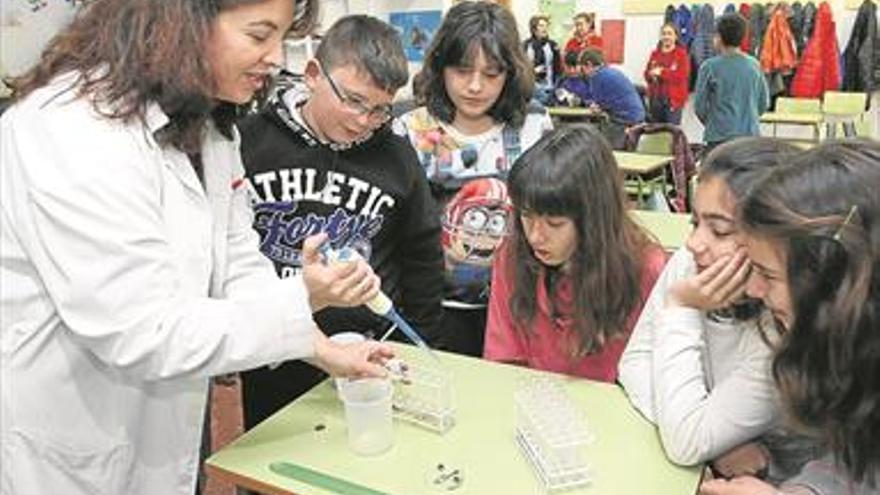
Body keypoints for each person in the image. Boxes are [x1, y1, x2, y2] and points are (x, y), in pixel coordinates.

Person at [0, 1, 396, 494]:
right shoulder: (71, 128)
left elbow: (236, 263)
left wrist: (320, 346)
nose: (275, 58)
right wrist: (302, 302)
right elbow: (141, 329)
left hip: (165, 423)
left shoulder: (205, 126)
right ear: (181, 21)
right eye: (258, 36)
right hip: (73, 439)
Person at [237, 15, 444, 429]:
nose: (363, 120)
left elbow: (422, 252)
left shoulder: (395, 155)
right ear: (314, 74)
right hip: (273, 354)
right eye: (352, 100)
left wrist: (418, 343)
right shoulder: (249, 142)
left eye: (380, 110)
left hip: (372, 348)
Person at [618, 138, 819, 482]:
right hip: (700, 462)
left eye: (720, 229)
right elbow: (634, 362)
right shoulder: (694, 261)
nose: (695, 243)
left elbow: (686, 442)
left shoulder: (784, 320)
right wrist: (705, 435)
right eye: (695, 222)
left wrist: (680, 307)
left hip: (776, 480)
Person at [701, 140, 880, 494]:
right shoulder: (853, 360)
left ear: (833, 283)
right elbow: (854, 459)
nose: (753, 290)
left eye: (767, 275)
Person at [393, 0, 552, 356]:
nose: (475, 86)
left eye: (492, 74)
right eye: (463, 71)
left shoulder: (533, 128)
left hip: (515, 310)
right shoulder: (411, 128)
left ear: (510, 73)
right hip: (430, 310)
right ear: (440, 66)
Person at [483, 124, 667, 382]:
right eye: (526, 216)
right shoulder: (511, 256)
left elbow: (655, 377)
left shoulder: (648, 270)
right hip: (532, 405)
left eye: (555, 223)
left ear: (594, 219)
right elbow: (502, 359)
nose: (535, 236)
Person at [694, 12, 769, 151]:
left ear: (719, 37)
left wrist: (715, 124)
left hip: (719, 139)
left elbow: (699, 107)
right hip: (750, 136)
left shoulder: (709, 67)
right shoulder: (754, 64)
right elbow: (763, 103)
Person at [578, 48, 646, 149]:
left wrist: (593, 106)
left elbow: (597, 108)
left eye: (582, 68)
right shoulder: (612, 71)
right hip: (639, 116)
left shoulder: (596, 77)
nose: (583, 72)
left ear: (589, 64)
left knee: (603, 147)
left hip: (624, 120)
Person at [644, 22, 691, 125]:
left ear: (675, 36)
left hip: (673, 101)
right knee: (656, 133)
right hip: (655, 100)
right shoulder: (655, 54)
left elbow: (681, 76)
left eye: (669, 33)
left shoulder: (681, 54)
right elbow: (646, 75)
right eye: (664, 34)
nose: (666, 36)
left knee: (671, 134)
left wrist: (662, 72)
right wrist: (651, 75)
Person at [522, 15, 561, 106]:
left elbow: (558, 68)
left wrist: (556, 86)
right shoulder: (525, 45)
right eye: (541, 25)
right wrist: (533, 71)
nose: (545, 28)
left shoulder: (553, 45)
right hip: (531, 87)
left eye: (546, 26)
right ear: (534, 28)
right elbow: (521, 68)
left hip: (549, 87)